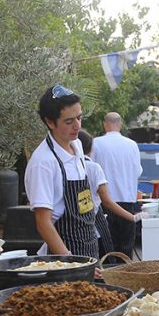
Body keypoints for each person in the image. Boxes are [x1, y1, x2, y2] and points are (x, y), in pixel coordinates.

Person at [25, 85, 98, 259]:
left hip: (88, 246)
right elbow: (43, 223)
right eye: (69, 121)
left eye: (79, 118)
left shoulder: (77, 146)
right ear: (50, 122)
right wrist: (69, 260)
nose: (77, 126)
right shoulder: (43, 163)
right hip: (63, 256)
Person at [78, 129, 139, 259]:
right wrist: (132, 217)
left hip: (77, 224)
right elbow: (106, 201)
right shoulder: (93, 168)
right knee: (117, 254)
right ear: (91, 149)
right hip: (97, 217)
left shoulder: (66, 166)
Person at [92, 112, 142, 257]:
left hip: (104, 202)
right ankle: (124, 277)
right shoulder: (132, 145)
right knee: (126, 248)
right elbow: (138, 171)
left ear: (104, 125)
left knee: (106, 249)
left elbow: (91, 171)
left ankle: (106, 278)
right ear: (120, 125)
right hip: (127, 202)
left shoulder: (96, 143)